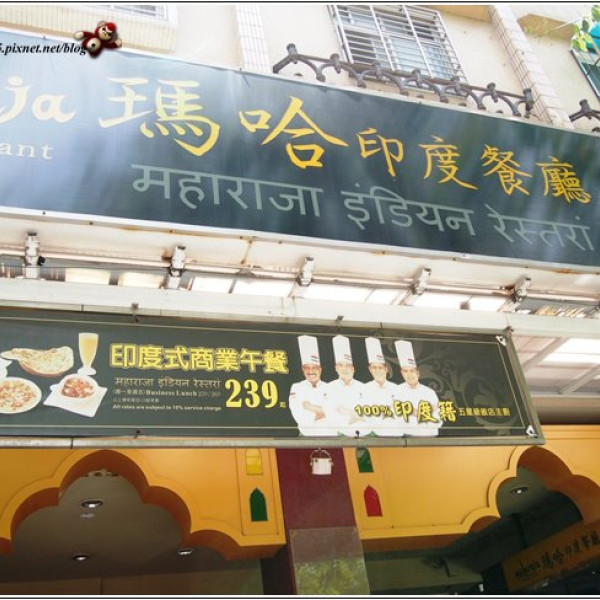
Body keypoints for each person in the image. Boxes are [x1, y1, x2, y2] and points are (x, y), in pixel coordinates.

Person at [288, 335, 335, 436]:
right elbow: (297, 413)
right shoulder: (297, 387)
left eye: (314, 368)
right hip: (306, 436)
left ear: (320, 369)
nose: (311, 371)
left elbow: (336, 413)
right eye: (307, 368)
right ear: (303, 370)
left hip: (330, 436)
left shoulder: (330, 387)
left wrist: (312, 408)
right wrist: (324, 412)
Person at [394, 340, 441, 437]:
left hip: (429, 437)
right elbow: (397, 419)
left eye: (412, 371)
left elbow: (438, 418)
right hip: (406, 437)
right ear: (402, 373)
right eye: (406, 371)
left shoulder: (429, 392)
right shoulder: (396, 391)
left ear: (417, 373)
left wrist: (413, 412)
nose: (409, 375)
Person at [326, 335, 369, 437]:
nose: (344, 369)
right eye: (340, 365)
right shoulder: (329, 388)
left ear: (353, 368)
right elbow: (330, 413)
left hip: (365, 433)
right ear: (336, 368)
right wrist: (354, 415)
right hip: (340, 435)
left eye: (347, 365)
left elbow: (370, 413)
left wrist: (349, 412)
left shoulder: (364, 387)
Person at [362, 337, 399, 437]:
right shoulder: (364, 389)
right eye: (374, 368)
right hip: (374, 433)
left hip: (396, 433)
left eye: (380, 368)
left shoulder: (396, 388)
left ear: (386, 369)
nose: (377, 371)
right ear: (370, 369)